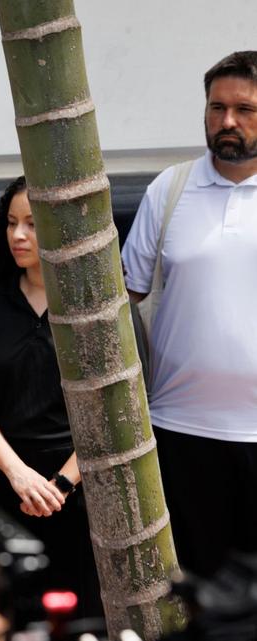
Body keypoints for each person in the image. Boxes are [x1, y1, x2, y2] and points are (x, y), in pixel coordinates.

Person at [122, 50, 257, 578]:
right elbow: (125, 298)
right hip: (179, 433)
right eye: (216, 106)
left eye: (246, 109)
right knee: (195, 594)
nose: (228, 121)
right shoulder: (169, 190)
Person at [0, 177, 100, 614]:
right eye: (13, 223)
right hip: (3, 481)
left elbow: (113, 414)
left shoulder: (94, 306)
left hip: (80, 490)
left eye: (33, 225)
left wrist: (60, 484)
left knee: (79, 610)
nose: (18, 235)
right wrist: (18, 474)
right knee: (7, 610)